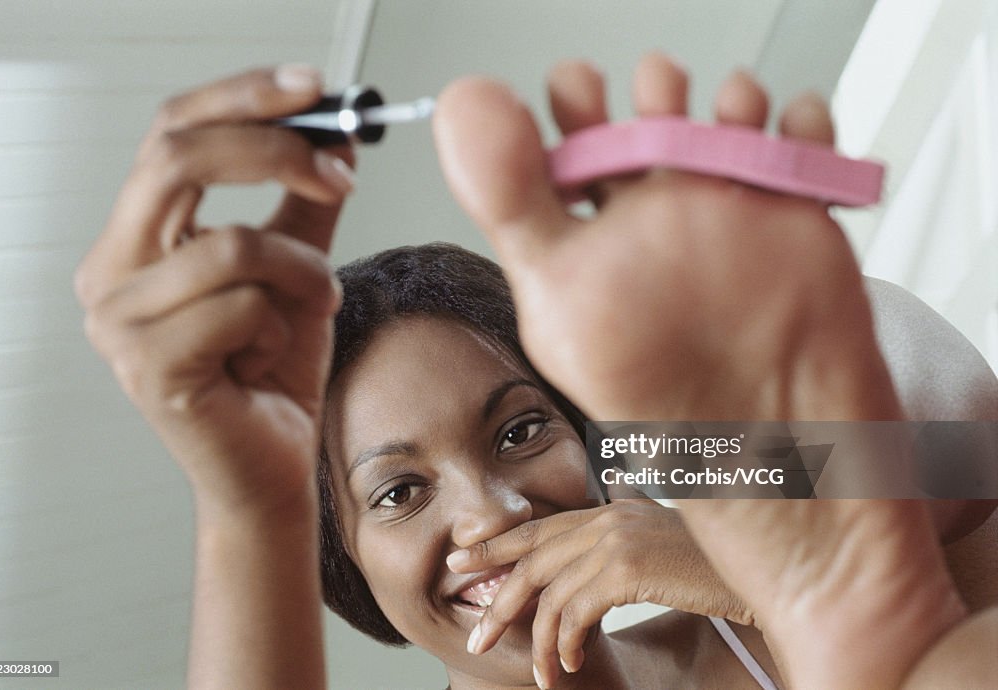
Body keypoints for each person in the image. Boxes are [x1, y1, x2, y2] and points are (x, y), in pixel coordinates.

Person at [75, 51, 997, 689]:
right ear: (343, 565)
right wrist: (252, 504)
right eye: (397, 493)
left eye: (521, 431)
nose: (492, 513)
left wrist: (726, 548)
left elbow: (974, 461)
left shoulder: (712, 564)